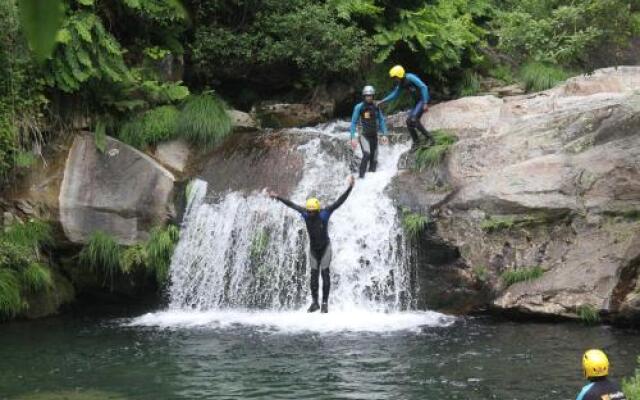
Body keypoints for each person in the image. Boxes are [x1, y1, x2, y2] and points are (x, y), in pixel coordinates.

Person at [268, 176, 355, 313]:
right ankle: (315, 303)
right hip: (314, 250)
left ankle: (325, 303)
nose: (310, 213)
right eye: (308, 210)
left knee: (325, 275)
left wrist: (350, 188)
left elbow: (339, 201)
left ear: (317, 210)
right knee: (313, 277)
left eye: (312, 211)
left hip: (325, 248)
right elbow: (291, 204)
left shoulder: (325, 213)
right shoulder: (305, 214)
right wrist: (277, 197)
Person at [378, 65, 433, 149]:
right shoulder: (401, 83)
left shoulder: (410, 77)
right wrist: (382, 101)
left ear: (399, 75)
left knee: (414, 119)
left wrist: (425, 103)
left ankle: (430, 138)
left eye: (395, 77)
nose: (394, 80)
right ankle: (416, 143)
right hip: (417, 102)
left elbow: (423, 87)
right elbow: (394, 94)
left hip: (423, 99)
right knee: (408, 122)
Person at [350, 85, 389, 178]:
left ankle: (370, 182)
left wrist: (384, 134)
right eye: (367, 96)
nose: (369, 97)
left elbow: (381, 120)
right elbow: (353, 122)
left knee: (374, 160)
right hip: (364, 136)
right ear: (364, 96)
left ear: (373, 96)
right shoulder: (359, 107)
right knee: (366, 154)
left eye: (371, 95)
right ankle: (360, 177)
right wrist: (353, 137)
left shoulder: (376, 106)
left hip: (374, 136)